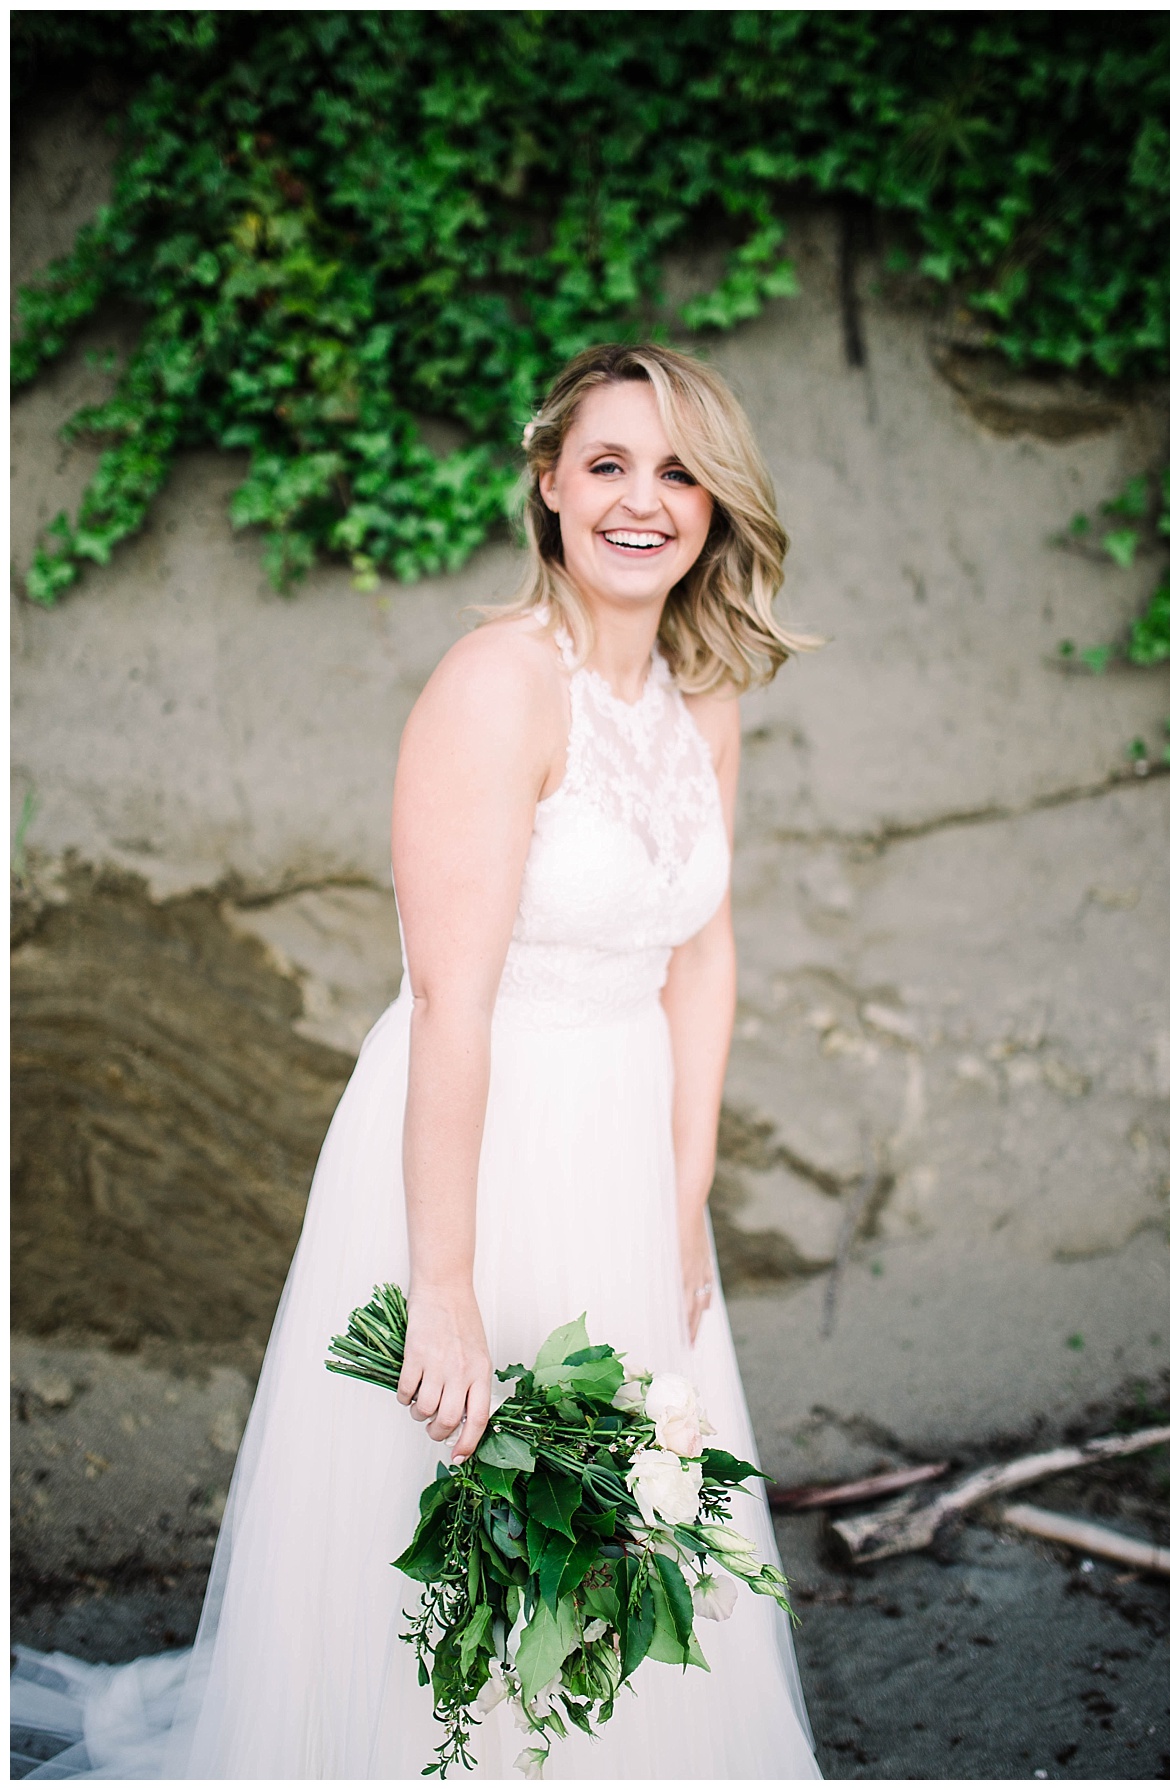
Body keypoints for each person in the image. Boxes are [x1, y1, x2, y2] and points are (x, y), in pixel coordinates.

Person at [11, 342, 823, 1779]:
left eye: (681, 469)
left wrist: (681, 1198)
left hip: (623, 1143)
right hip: (477, 1144)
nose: (647, 499)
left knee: (627, 1514)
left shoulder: (704, 692)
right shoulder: (494, 686)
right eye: (611, 464)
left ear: (718, 504)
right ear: (551, 488)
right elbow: (453, 1001)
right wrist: (439, 1286)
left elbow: (701, 952)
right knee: (457, 1516)